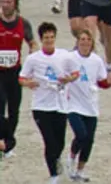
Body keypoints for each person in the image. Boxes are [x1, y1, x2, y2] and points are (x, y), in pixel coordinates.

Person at [22, 21, 77, 183]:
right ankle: (53, 174)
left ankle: (57, 161)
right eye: (46, 38)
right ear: (41, 39)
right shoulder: (33, 59)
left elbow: (75, 73)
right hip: (41, 106)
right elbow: (22, 77)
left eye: (52, 37)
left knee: (59, 140)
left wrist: (68, 79)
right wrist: (29, 83)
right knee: (49, 140)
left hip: (60, 105)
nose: (49, 41)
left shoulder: (64, 55)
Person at [62, 26, 106, 179]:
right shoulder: (70, 57)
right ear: (77, 41)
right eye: (82, 39)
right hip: (73, 104)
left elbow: (102, 80)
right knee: (81, 134)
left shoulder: (97, 60)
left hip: (91, 104)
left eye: (88, 40)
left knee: (89, 140)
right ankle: (71, 158)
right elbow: (61, 72)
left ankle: (80, 170)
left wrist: (107, 81)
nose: (85, 42)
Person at [0, 0, 27, 159]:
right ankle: (1, 140)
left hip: (15, 71)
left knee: (14, 109)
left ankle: (9, 142)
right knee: (0, 105)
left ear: (15, 4)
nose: (5, 5)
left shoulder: (23, 23)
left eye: (8, 2)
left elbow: (32, 42)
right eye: (2, 1)